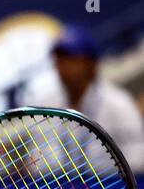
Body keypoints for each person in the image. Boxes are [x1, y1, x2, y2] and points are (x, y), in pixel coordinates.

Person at [22, 25, 144, 173]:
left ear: (91, 64)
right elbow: (37, 160)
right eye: (59, 60)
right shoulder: (45, 105)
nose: (63, 67)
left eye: (71, 59)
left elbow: (137, 162)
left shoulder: (119, 104)